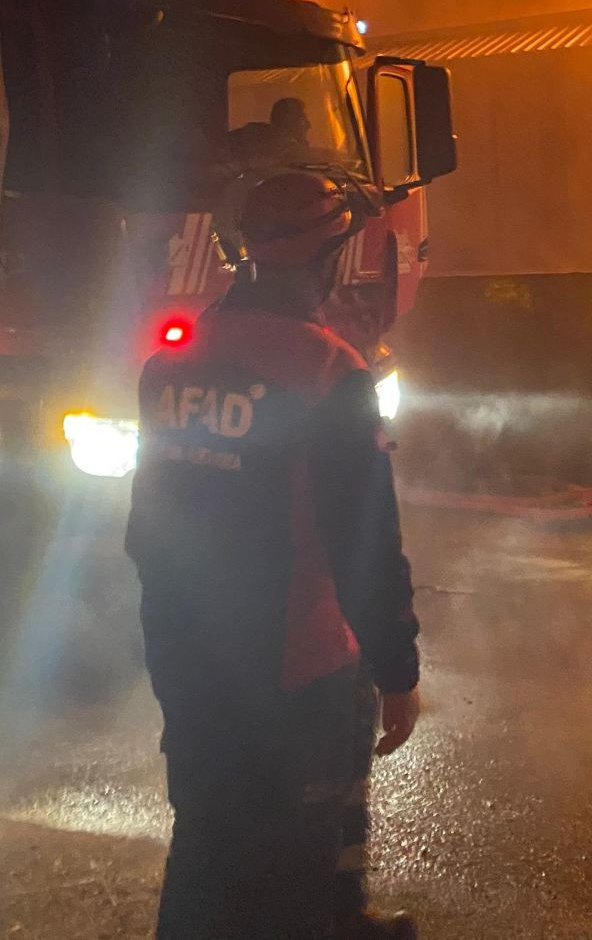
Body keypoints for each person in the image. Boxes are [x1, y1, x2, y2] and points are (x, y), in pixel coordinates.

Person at [127, 170, 421, 940]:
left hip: (188, 661)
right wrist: (399, 671)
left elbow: (145, 527)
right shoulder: (330, 372)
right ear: (326, 261)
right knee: (289, 870)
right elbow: (367, 548)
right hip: (295, 671)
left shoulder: (171, 364)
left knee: (204, 847)